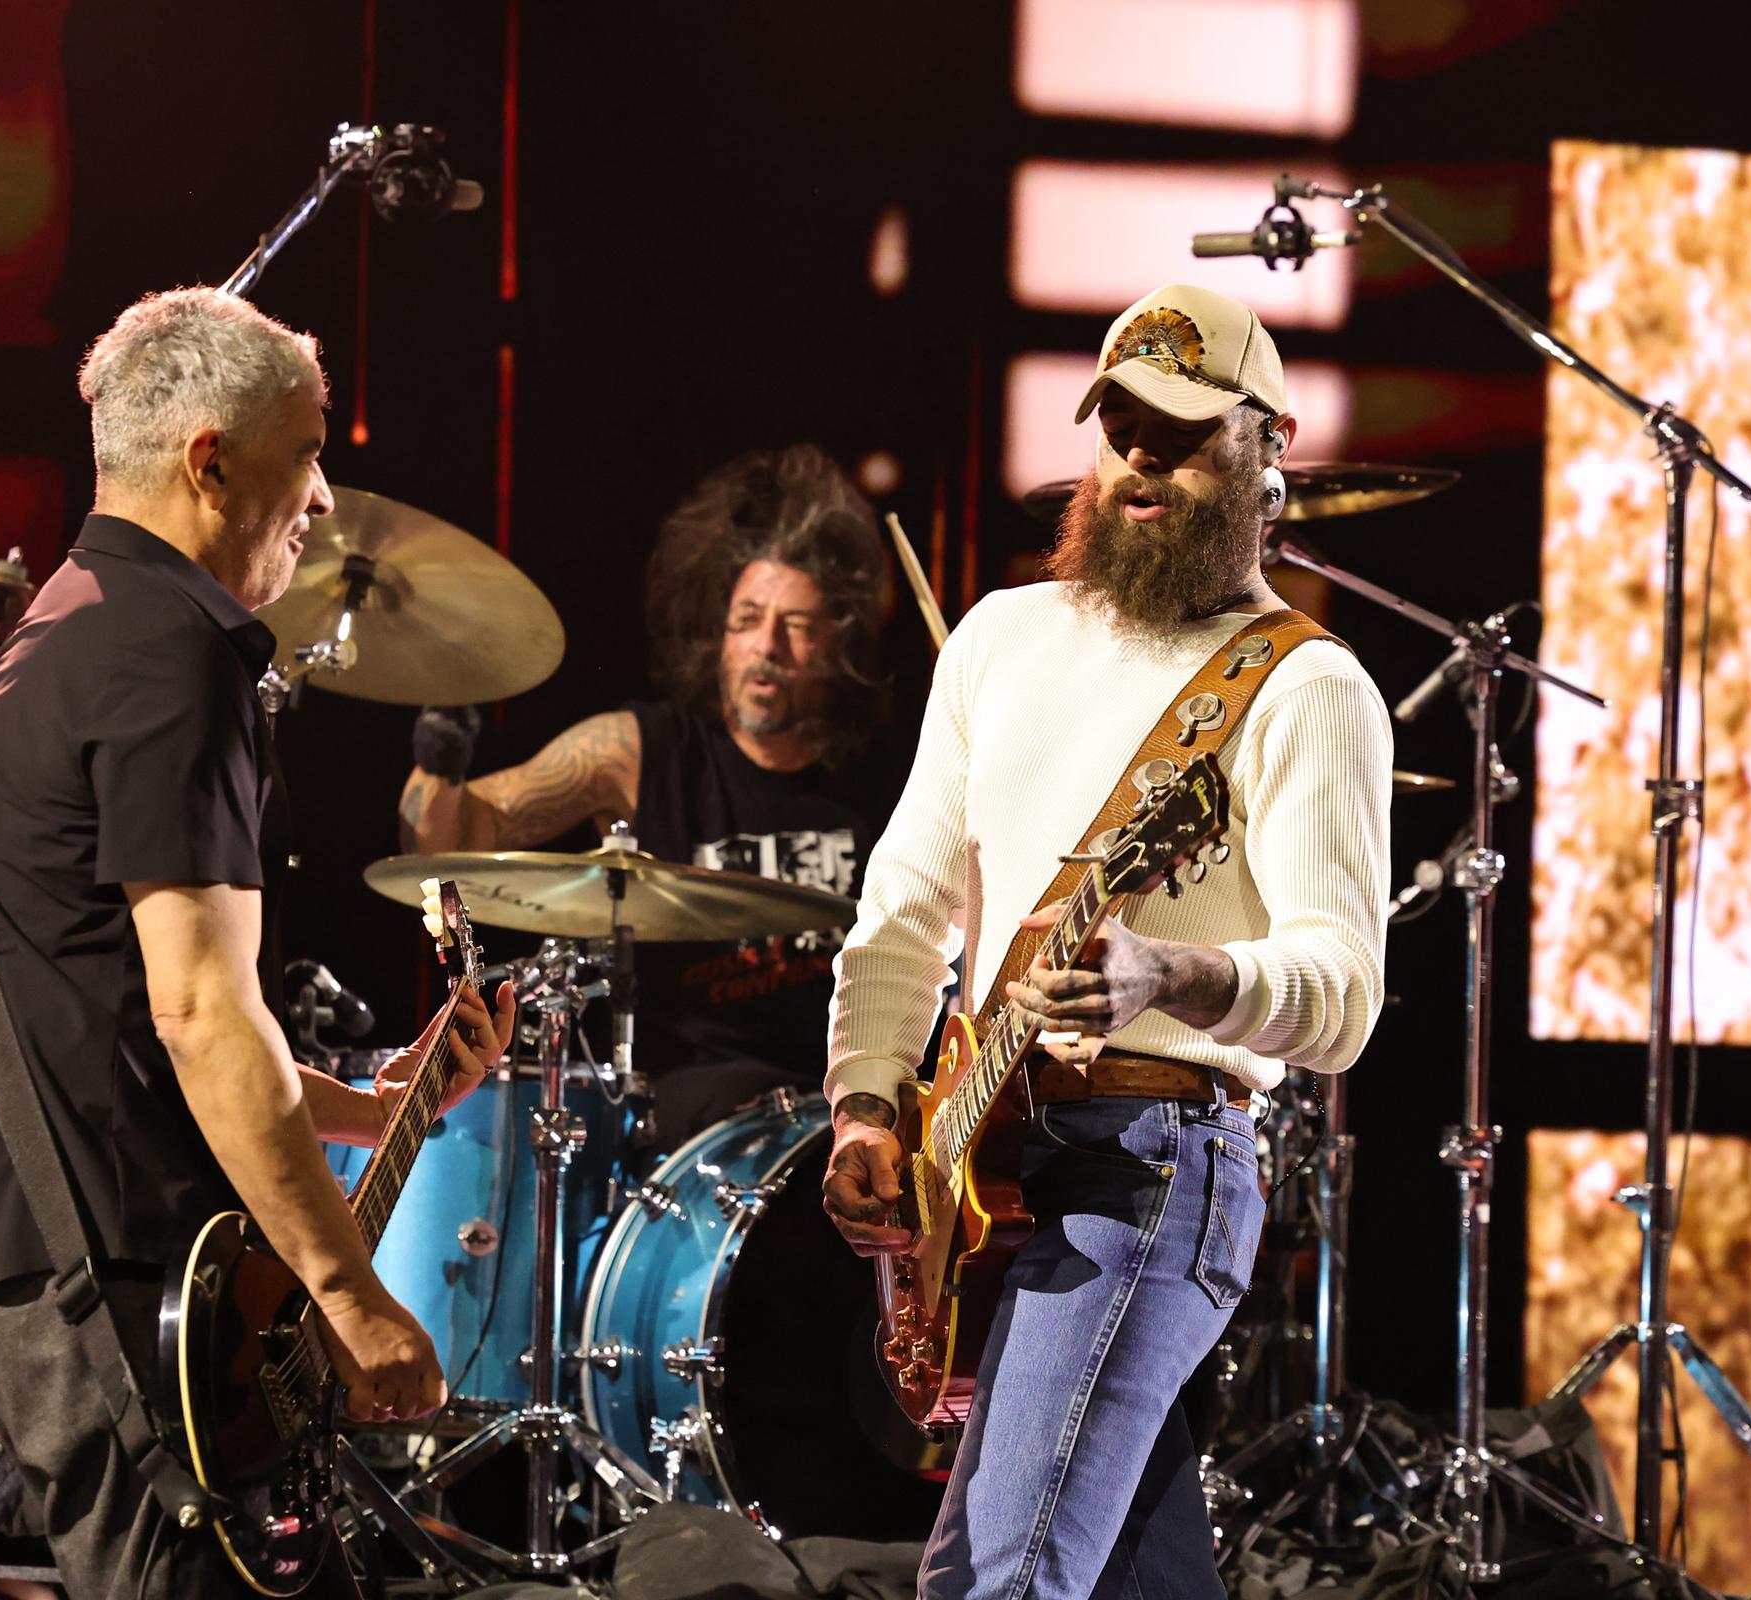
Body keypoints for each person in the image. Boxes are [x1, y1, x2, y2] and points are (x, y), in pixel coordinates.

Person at [0, 287, 517, 1600]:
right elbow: (202, 1012)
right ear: (210, 459)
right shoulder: (166, 652)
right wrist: (352, 1296)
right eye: (306, 451)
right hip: (117, 1277)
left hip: (79, 1256)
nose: (325, 497)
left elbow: (126, 1008)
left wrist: (377, 1105)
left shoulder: (61, 631)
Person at [820, 284, 1393, 1599]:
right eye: (1119, 425)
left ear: (1269, 446)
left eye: (1182, 431)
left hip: (1156, 1168)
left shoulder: (1305, 686)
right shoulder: (1000, 639)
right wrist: (863, 1107)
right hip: (988, 1156)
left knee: (997, 1579)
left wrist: (1166, 973)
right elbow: (906, 898)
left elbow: (1345, 996)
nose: (1140, 455)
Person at [397, 444, 898, 1142]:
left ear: (838, 645)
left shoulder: (889, 771)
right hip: (692, 1112)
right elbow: (454, 841)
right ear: (717, 634)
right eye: (747, 620)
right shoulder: (639, 750)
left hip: (852, 1095)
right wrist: (439, 764)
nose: (766, 647)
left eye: (798, 626)